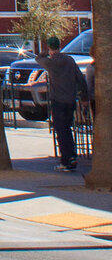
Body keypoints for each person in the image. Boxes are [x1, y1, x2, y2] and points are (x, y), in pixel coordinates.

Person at [39, 34, 89, 173]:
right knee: (68, 129)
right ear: (60, 46)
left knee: (61, 131)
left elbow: (38, 58)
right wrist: (84, 97)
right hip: (70, 99)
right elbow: (80, 79)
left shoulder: (50, 62)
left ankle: (66, 160)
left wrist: (45, 51)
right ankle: (71, 156)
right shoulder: (69, 60)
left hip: (57, 100)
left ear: (50, 47)